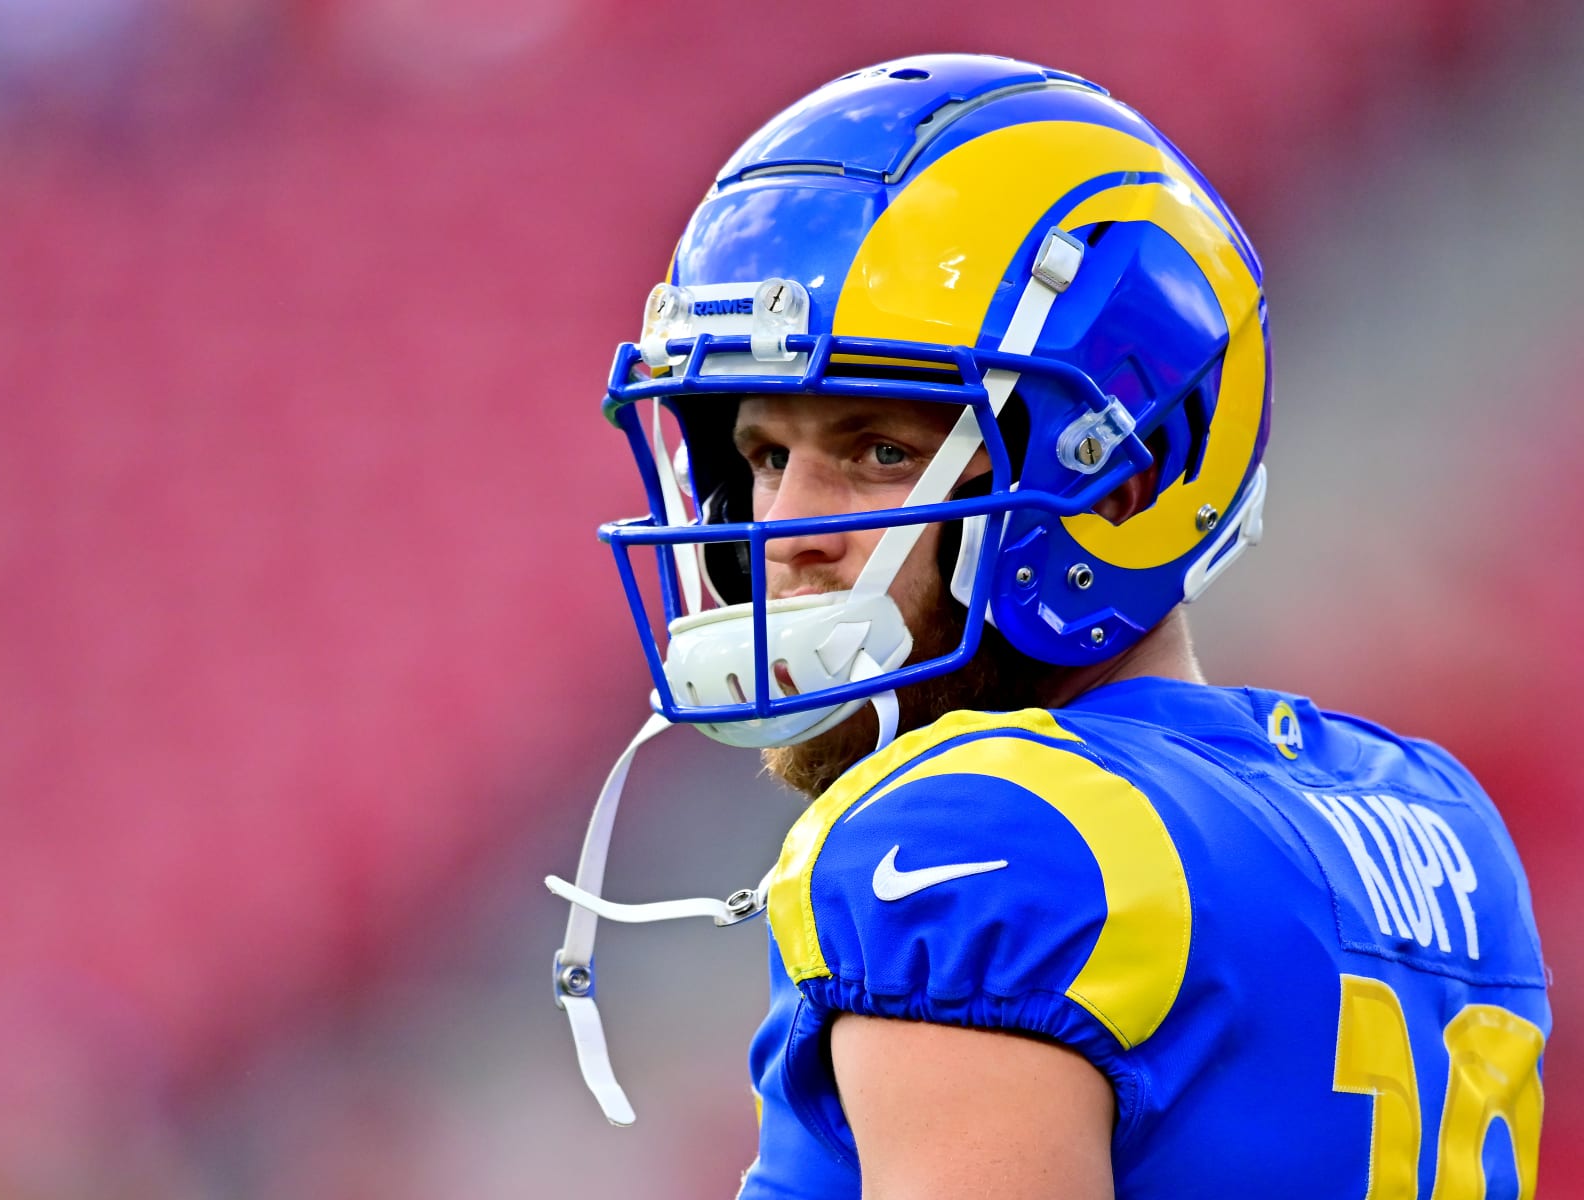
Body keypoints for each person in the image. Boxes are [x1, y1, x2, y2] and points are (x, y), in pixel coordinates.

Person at [545, 53, 1549, 1197]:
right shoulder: (1426, 819)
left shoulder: (972, 836)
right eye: (768, 457)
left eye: (880, 454)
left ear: (1122, 483)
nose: (784, 531)